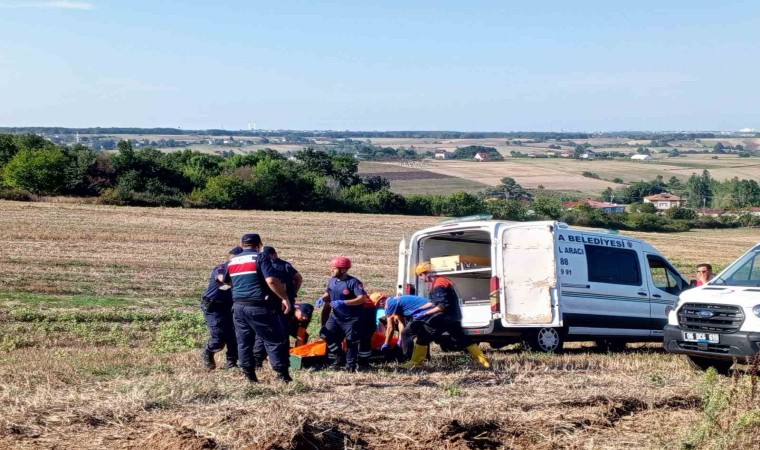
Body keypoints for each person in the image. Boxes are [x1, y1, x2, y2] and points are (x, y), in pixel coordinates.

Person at [225, 233, 292, 383]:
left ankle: (249, 375)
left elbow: (227, 282)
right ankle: (282, 375)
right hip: (258, 306)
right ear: (260, 245)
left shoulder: (232, 260)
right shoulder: (261, 257)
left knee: (244, 341)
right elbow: (271, 280)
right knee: (273, 339)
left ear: (241, 245)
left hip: (238, 306)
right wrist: (284, 298)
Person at [402, 261, 491, 369]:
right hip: (453, 317)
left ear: (426, 273)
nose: (420, 278)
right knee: (463, 339)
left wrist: (424, 314)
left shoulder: (439, 285)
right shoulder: (439, 281)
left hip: (443, 317)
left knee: (422, 336)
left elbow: (441, 306)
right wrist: (419, 309)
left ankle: (415, 363)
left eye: (420, 275)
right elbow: (433, 302)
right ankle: (483, 362)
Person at [253, 246, 303, 365]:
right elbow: (299, 278)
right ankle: (283, 358)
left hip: (274, 302)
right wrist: (293, 294)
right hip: (287, 302)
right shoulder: (286, 265)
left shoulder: (270, 267)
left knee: (265, 330)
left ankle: (259, 359)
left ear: (273, 255)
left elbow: (275, 283)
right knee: (283, 330)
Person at [316, 256, 367, 371]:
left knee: (351, 342)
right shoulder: (332, 280)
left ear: (343, 270)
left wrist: (344, 302)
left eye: (334, 269)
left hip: (352, 318)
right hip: (336, 316)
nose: (331, 270)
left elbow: (362, 299)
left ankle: (350, 366)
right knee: (325, 334)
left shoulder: (354, 282)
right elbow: (328, 293)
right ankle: (340, 356)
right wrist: (322, 298)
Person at [200, 246, 243, 370]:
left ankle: (232, 363)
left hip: (230, 305)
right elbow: (223, 280)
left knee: (233, 335)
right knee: (218, 337)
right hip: (214, 306)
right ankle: (208, 351)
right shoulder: (221, 268)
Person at [382, 294, 434, 361]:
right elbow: (401, 324)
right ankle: (425, 357)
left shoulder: (389, 304)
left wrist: (386, 344)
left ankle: (407, 358)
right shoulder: (396, 301)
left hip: (425, 311)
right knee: (423, 334)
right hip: (432, 308)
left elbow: (390, 328)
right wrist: (400, 341)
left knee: (407, 334)